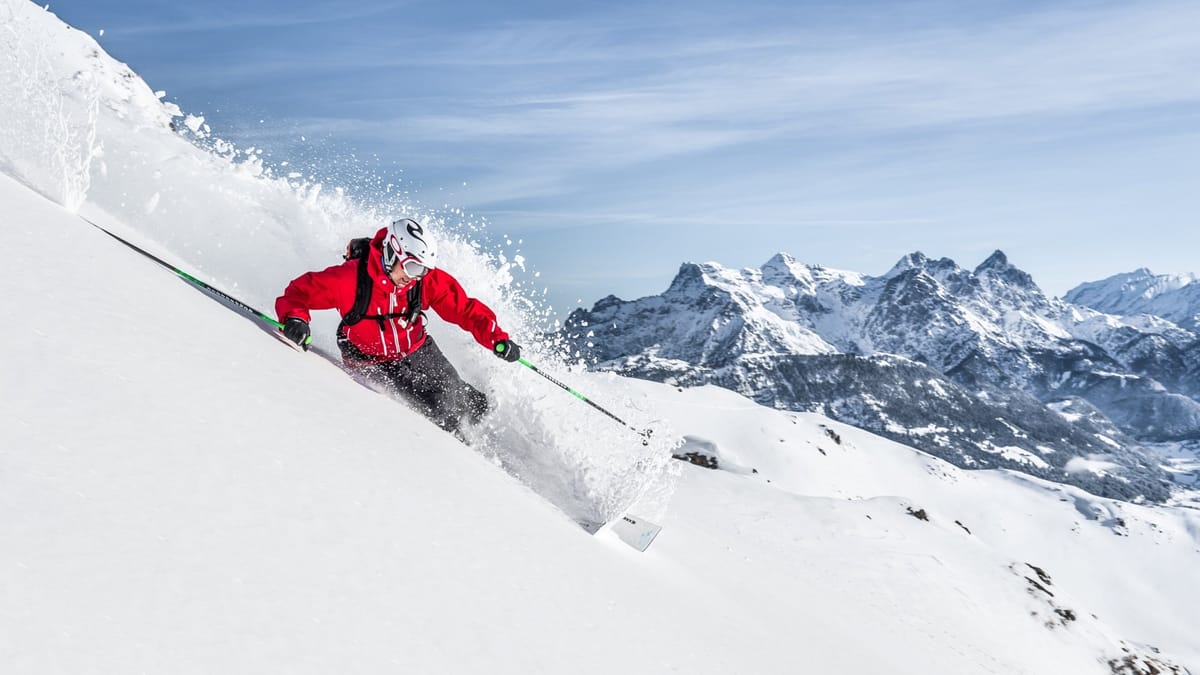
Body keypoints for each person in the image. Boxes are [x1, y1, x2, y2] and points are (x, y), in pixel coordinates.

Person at [276, 217, 522, 435]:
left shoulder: (421, 281)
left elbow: (465, 310)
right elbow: (298, 293)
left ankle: (493, 433)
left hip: (417, 348)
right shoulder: (349, 279)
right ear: (392, 253)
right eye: (412, 267)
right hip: (371, 362)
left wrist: (496, 338)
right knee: (440, 413)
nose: (414, 276)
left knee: (462, 397)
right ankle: (466, 455)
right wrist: (296, 319)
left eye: (422, 270)